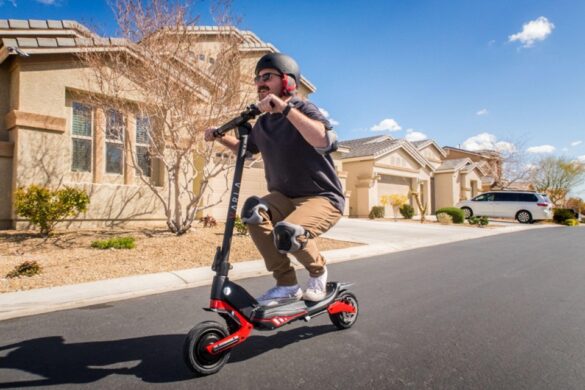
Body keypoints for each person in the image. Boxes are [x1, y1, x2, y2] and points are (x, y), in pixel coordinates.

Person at [204, 52, 344, 306]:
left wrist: (286, 109)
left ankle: (317, 272)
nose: (260, 83)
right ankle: (287, 284)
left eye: (267, 77)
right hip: (285, 196)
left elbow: (324, 141)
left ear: (288, 82)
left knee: (289, 232)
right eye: (257, 79)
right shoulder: (263, 124)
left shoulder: (303, 108)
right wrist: (220, 136)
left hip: (322, 197)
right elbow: (246, 151)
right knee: (253, 212)